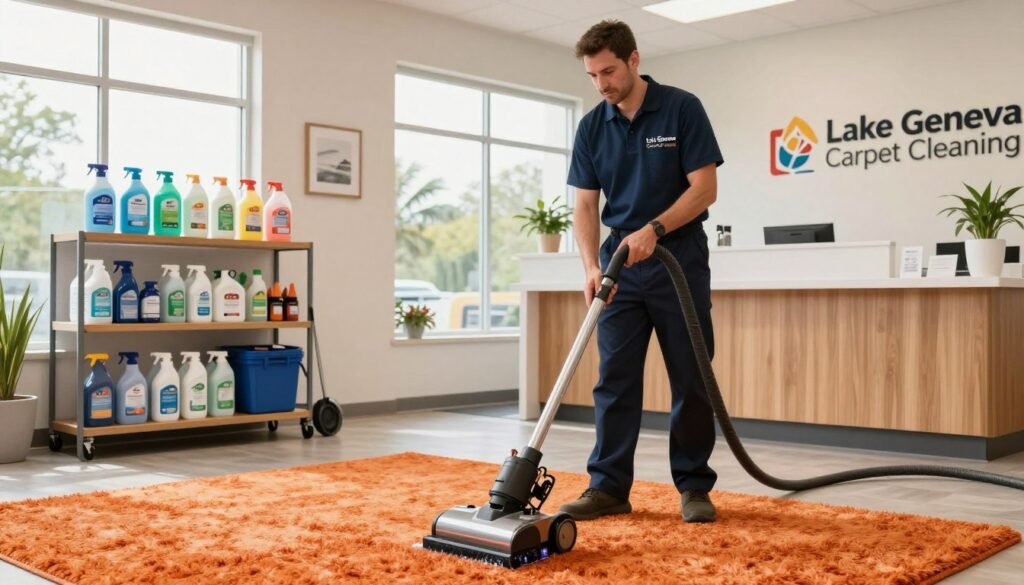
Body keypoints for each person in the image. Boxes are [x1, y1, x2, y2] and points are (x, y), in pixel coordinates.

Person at [557, 20, 724, 524]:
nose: (602, 83)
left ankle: (694, 485)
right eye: (592, 75)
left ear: (633, 60)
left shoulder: (681, 107)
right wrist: (589, 266)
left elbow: (704, 189)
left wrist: (655, 227)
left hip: (679, 259)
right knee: (615, 380)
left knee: (691, 378)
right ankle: (608, 487)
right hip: (619, 266)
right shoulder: (592, 126)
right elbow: (585, 205)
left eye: (608, 71)